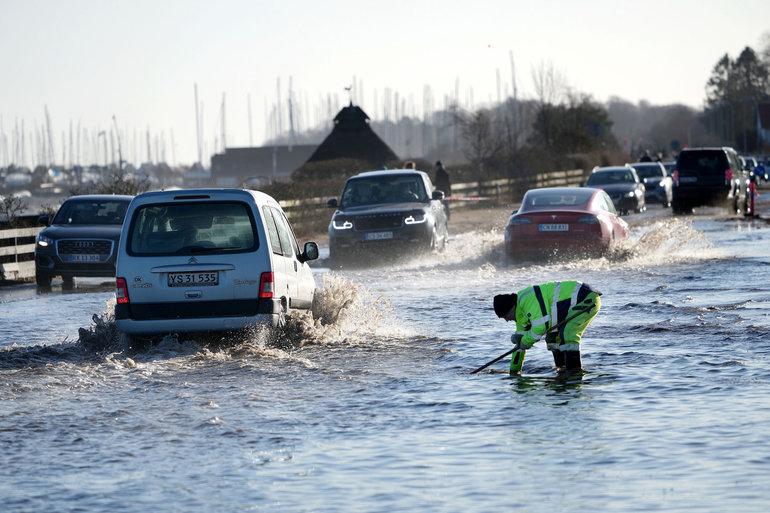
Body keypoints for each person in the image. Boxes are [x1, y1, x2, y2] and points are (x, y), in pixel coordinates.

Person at [493, 281, 602, 373]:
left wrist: (525, 342)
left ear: (511, 308)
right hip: (568, 308)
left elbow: (541, 327)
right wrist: (514, 372)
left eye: (505, 316)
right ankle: (561, 369)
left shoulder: (527, 300)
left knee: (568, 335)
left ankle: (574, 373)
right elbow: (519, 347)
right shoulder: (520, 316)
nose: (507, 320)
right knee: (552, 338)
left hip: (586, 298)